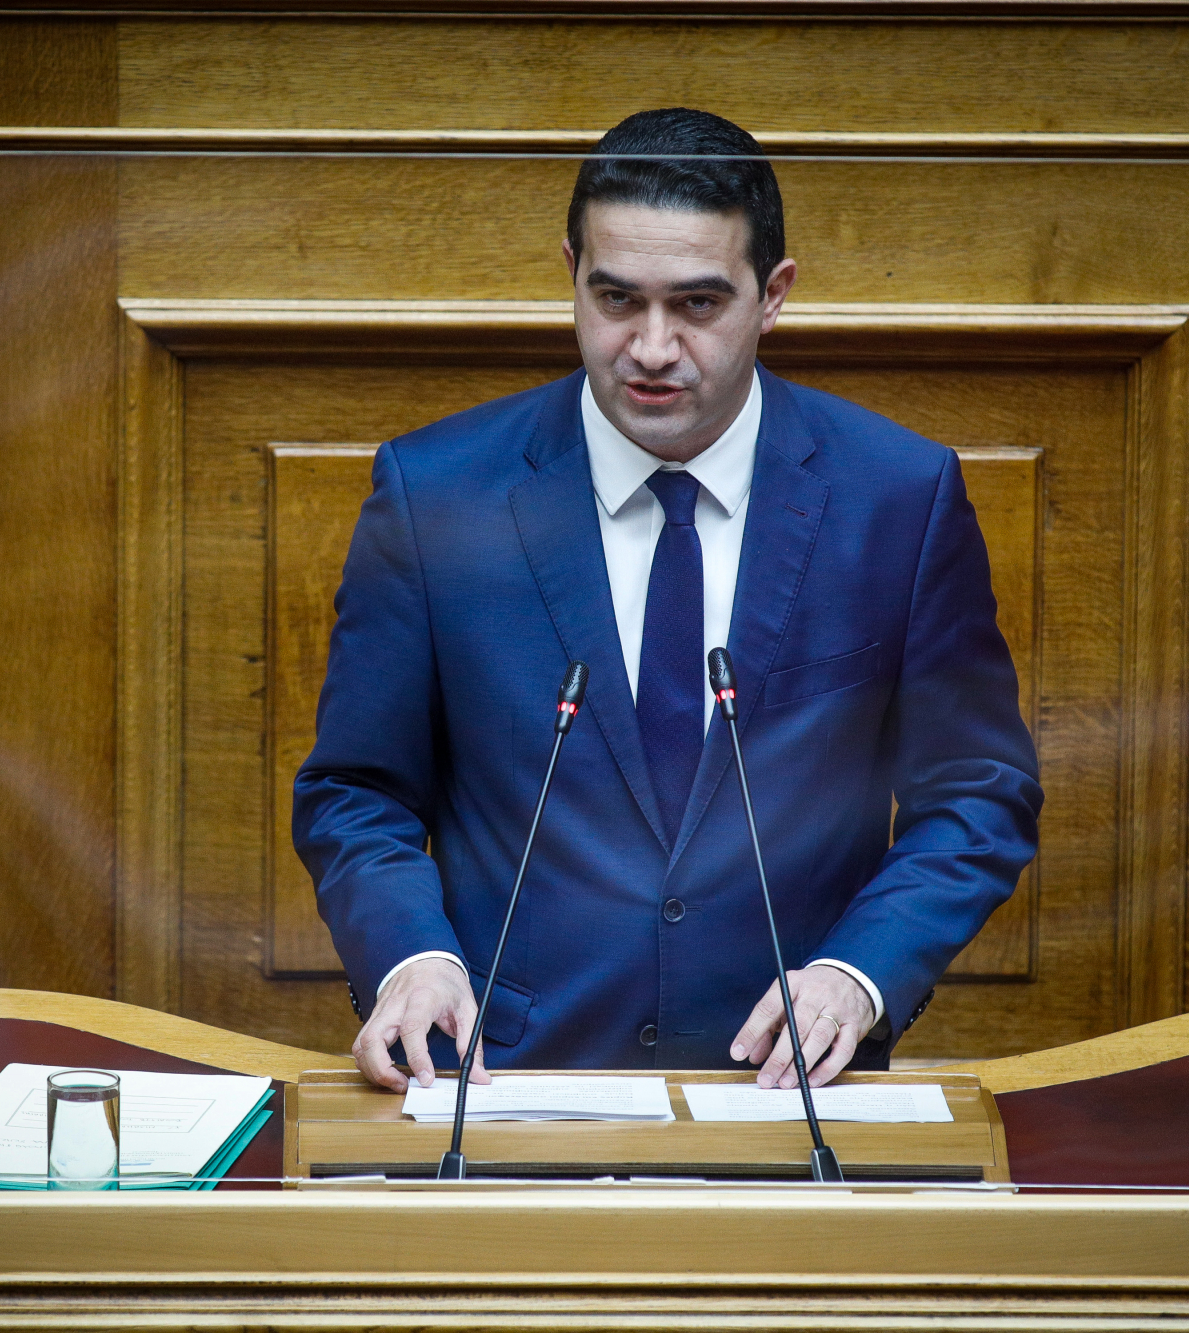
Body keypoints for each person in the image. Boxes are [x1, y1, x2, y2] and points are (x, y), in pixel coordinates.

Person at [293, 107, 1041, 1095]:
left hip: (786, 1090)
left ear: (772, 295)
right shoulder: (437, 496)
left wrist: (857, 976)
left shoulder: (896, 498)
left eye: (696, 303)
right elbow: (358, 791)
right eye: (616, 298)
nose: (651, 347)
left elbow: (977, 792)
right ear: (571, 275)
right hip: (505, 1082)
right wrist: (411, 956)